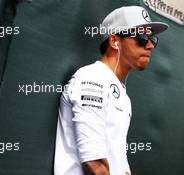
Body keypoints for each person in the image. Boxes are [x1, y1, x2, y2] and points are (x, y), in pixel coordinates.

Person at [53, 6, 168, 175]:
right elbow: (94, 164)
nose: (150, 45)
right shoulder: (92, 79)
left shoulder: (122, 95)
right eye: (142, 37)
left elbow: (119, 163)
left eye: (153, 38)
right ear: (115, 41)